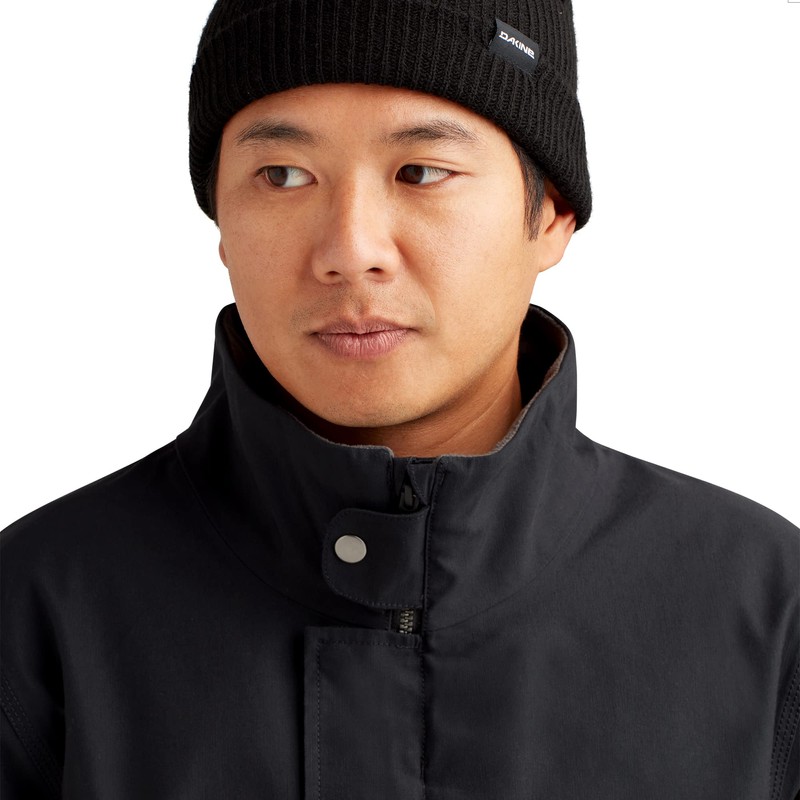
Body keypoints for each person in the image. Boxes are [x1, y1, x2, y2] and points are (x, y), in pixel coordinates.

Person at [1, 0, 798, 797]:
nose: (351, 251)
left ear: (552, 211)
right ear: (220, 219)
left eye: (420, 172)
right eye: (282, 176)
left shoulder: (764, 612)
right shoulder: (37, 613)